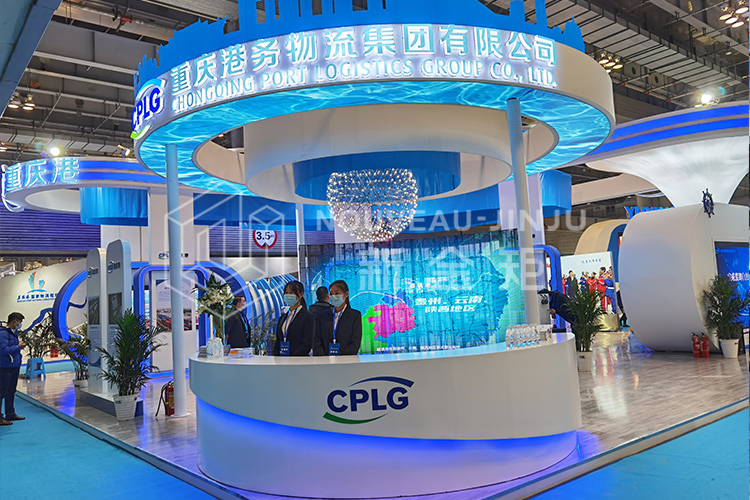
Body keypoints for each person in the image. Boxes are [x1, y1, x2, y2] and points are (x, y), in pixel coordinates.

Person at [314, 280, 362, 356]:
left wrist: (340, 358)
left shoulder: (354, 315)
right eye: (331, 294)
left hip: (346, 360)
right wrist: (324, 358)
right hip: (325, 360)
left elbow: (355, 343)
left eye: (337, 293)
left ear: (346, 294)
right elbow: (317, 341)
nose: (333, 296)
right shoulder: (322, 315)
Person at [273, 281, 314, 356]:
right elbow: (278, 341)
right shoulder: (283, 318)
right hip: (282, 359)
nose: (288, 295)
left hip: (298, 360)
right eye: (286, 292)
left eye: (291, 292)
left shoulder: (308, 316)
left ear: (301, 294)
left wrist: (292, 358)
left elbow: (307, 343)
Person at [0, 312, 26, 425]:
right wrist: (18, 347)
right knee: (2, 392)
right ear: (14, 321)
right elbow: (4, 350)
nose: (20, 324)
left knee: (11, 391)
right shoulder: (3, 334)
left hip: (14, 366)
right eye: (19, 322)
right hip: (5, 367)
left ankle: (10, 414)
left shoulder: (14, 332)